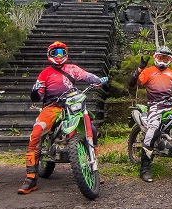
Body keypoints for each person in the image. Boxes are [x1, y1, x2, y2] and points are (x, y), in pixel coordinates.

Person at [18, 41, 109, 195]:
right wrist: (35, 93)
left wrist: (99, 80)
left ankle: (93, 169)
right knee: (36, 133)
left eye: (61, 52)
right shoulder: (45, 73)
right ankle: (31, 178)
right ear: (49, 55)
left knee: (91, 129)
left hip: (73, 103)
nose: (59, 56)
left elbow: (87, 76)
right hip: (52, 107)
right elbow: (38, 94)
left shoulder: (72, 69)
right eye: (55, 53)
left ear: (66, 54)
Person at [128, 46, 172, 183]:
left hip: (171, 105)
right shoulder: (149, 71)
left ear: (170, 60)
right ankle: (144, 168)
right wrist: (139, 69)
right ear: (155, 57)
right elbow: (132, 84)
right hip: (154, 106)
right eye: (160, 57)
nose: (163, 60)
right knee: (153, 130)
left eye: (166, 58)